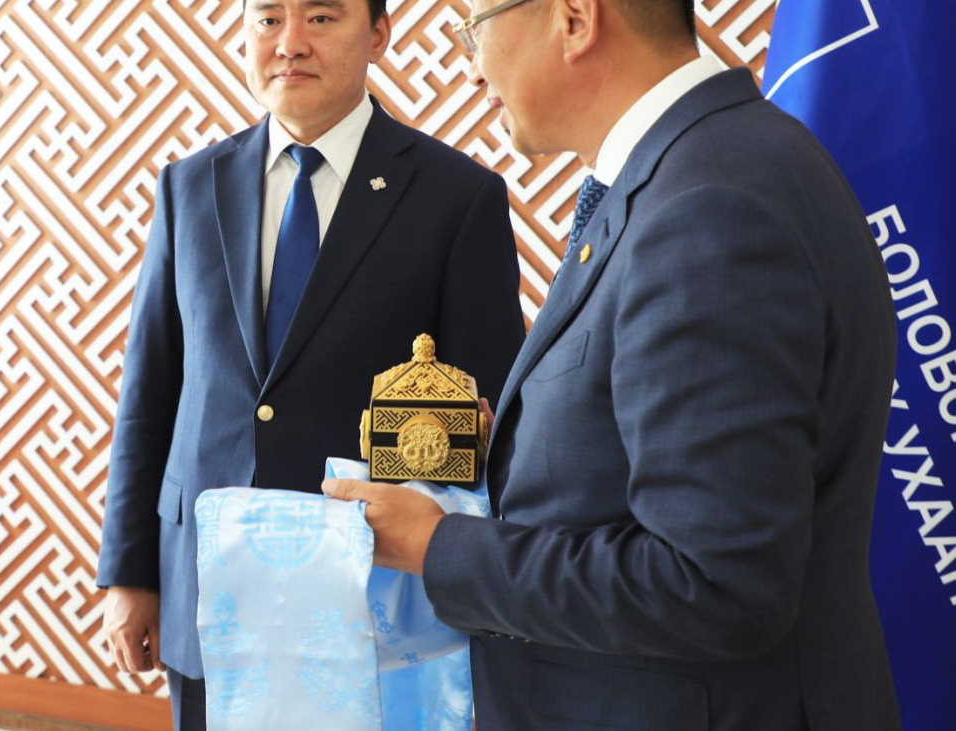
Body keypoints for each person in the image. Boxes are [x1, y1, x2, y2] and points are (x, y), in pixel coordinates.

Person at [323, 0, 903, 728]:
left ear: (574, 19)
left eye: (476, 27)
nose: (472, 68)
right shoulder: (709, 162)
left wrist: (437, 545)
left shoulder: (708, 208)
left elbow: (714, 584)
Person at [94, 0, 526, 727]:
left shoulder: (457, 197)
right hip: (206, 588)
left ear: (379, 34)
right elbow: (151, 392)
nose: (289, 43)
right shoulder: (190, 185)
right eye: (268, 19)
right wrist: (129, 572)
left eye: (321, 18)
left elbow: (496, 428)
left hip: (370, 605)